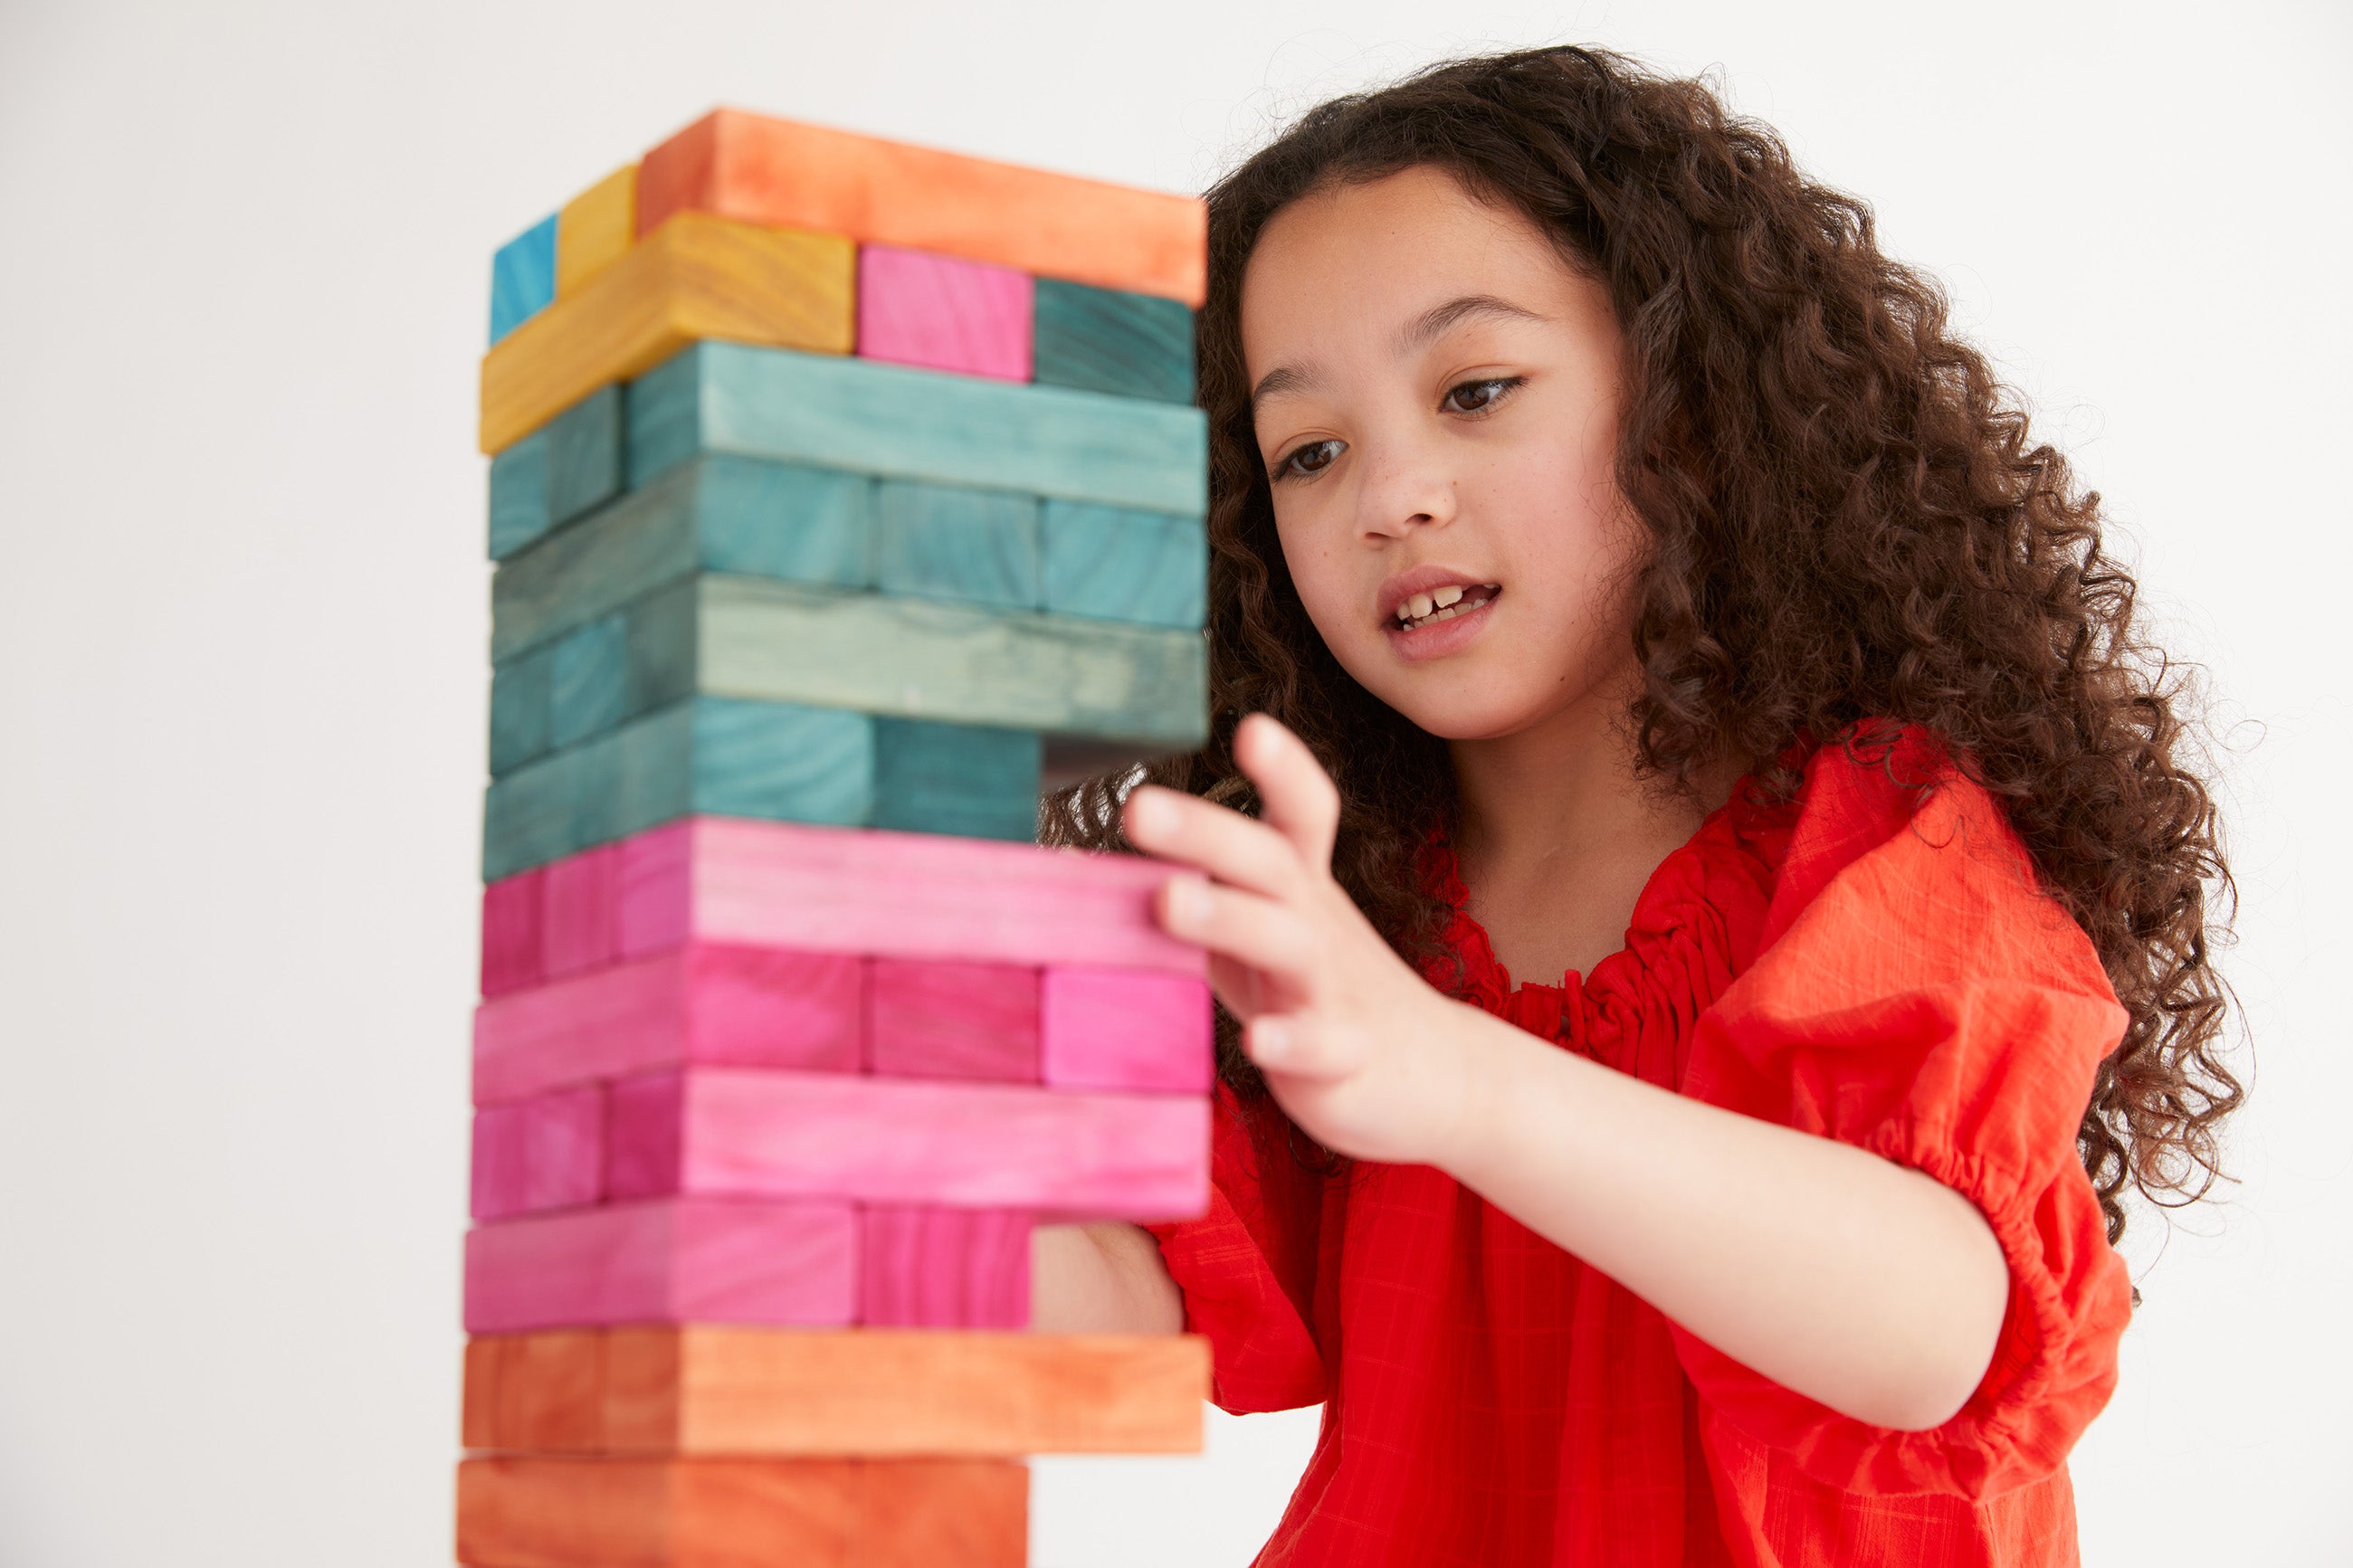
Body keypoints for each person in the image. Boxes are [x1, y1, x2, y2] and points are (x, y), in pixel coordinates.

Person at [1027, 45, 2240, 1567]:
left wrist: (1447, 1075)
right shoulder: (1335, 900)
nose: (1389, 496)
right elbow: (1128, 1294)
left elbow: (1935, 1330)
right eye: (1309, 450)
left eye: (1476, 390)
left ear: (1690, 409)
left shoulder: (1881, 838)